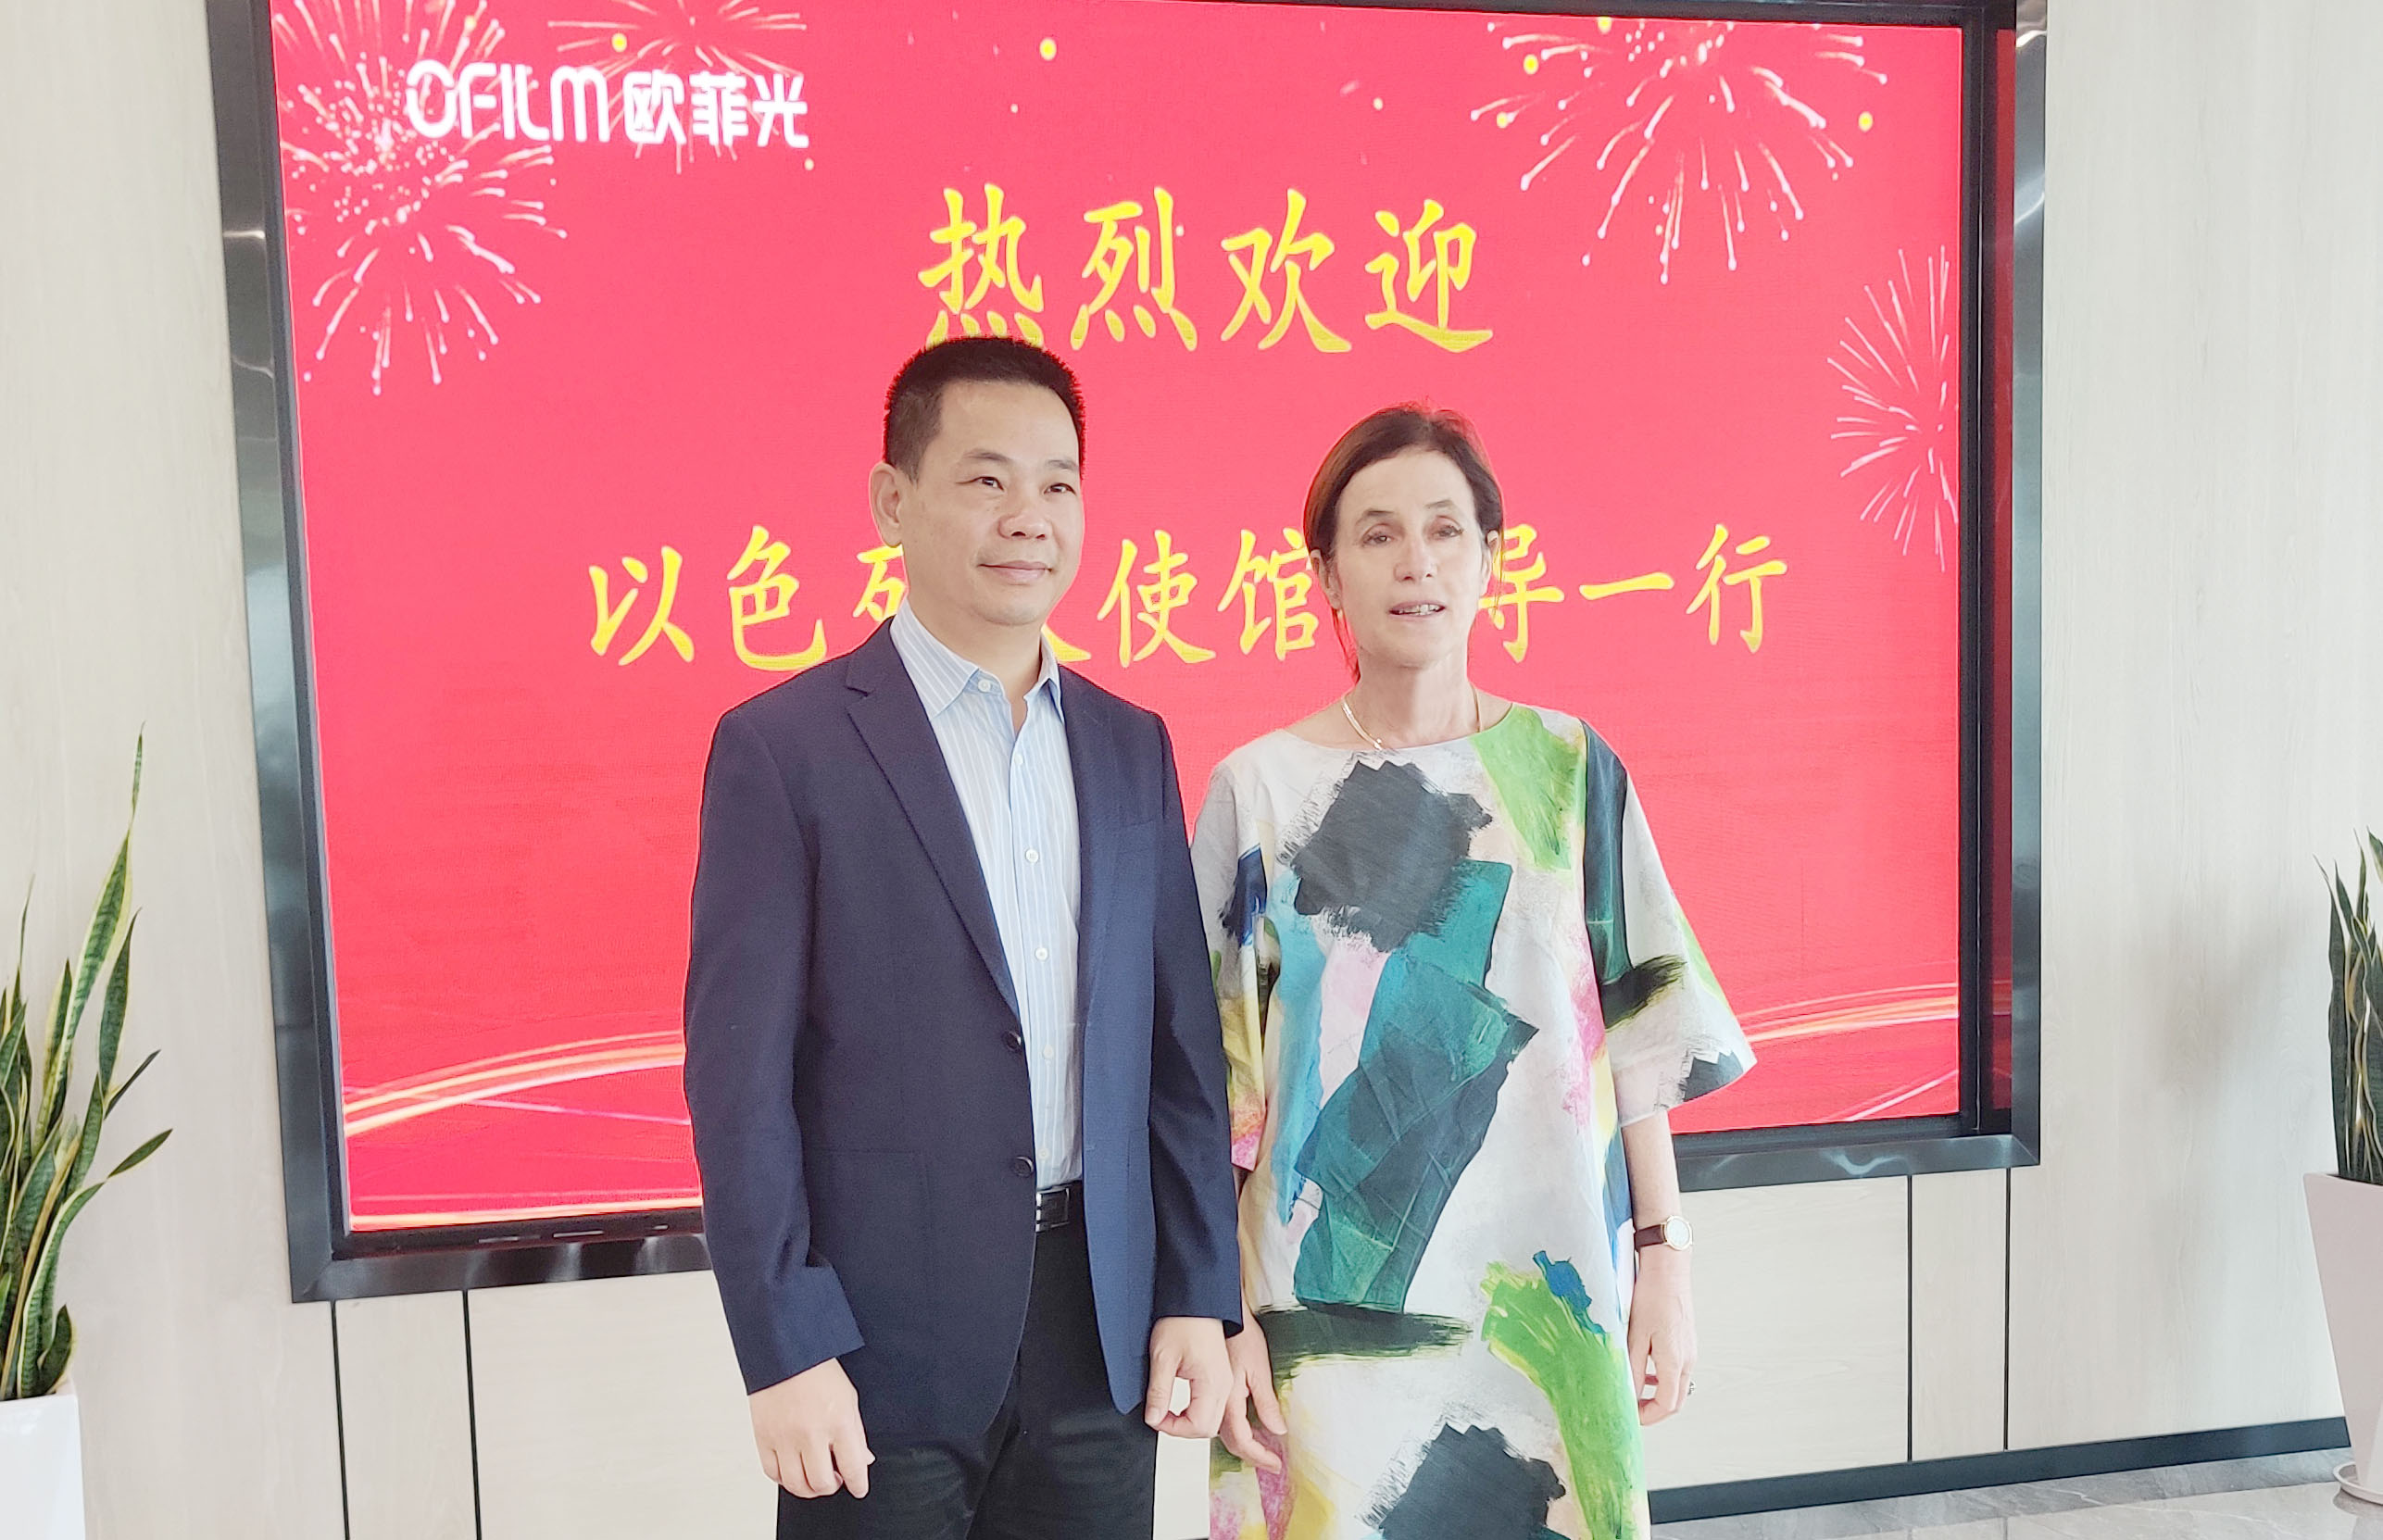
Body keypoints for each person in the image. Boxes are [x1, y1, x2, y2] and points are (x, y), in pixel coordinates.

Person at [684, 336, 1243, 1540]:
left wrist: (1197, 1290)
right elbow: (739, 1084)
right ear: (893, 501)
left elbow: (1177, 1053)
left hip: (1100, 1334)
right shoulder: (785, 748)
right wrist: (784, 1346)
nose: (1027, 516)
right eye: (986, 479)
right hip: (876, 1344)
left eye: (1057, 483)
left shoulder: (1130, 743)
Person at [1193, 406, 1755, 1540]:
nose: (1417, 561)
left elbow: (1638, 1040)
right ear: (1326, 573)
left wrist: (1663, 1258)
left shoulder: (1567, 767)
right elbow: (1215, 1099)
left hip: (1548, 1296)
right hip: (1318, 1329)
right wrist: (1220, 1312)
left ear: (1489, 558)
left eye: (1445, 530)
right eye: (1377, 534)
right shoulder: (1255, 791)